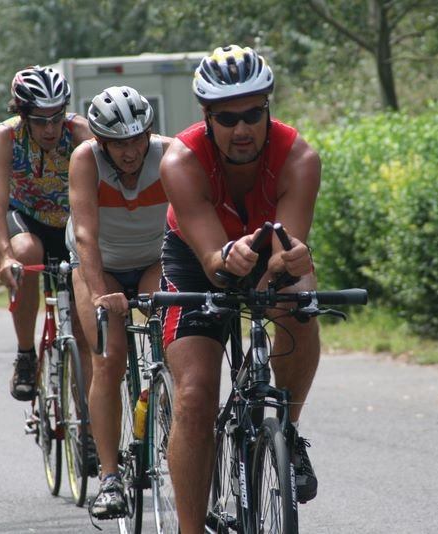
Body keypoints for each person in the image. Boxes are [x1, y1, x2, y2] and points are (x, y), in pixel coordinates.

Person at [158, 44, 321, 533]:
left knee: (299, 303)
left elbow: (287, 252)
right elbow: (211, 262)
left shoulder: (299, 157)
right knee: (194, 395)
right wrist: (229, 256)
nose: (243, 128)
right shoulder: (181, 159)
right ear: (207, 117)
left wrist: (290, 266)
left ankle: (286, 430)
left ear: (268, 107)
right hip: (197, 258)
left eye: (254, 113)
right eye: (228, 118)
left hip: (272, 251)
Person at [65, 86, 171, 519]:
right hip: (99, 264)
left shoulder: (169, 155)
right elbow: (86, 235)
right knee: (109, 356)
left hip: (152, 259)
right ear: (102, 141)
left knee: (178, 341)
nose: (131, 151)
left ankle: (166, 406)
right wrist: (98, 292)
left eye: (137, 139)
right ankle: (109, 479)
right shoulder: (85, 160)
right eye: (119, 142)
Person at [0, 65, 92, 401]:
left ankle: (88, 429)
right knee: (26, 254)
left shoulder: (79, 133)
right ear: (22, 114)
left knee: (81, 331)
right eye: (40, 119)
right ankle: (26, 354)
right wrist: (4, 256)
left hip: (70, 224)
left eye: (56, 117)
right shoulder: (4, 137)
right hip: (26, 218)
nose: (50, 128)